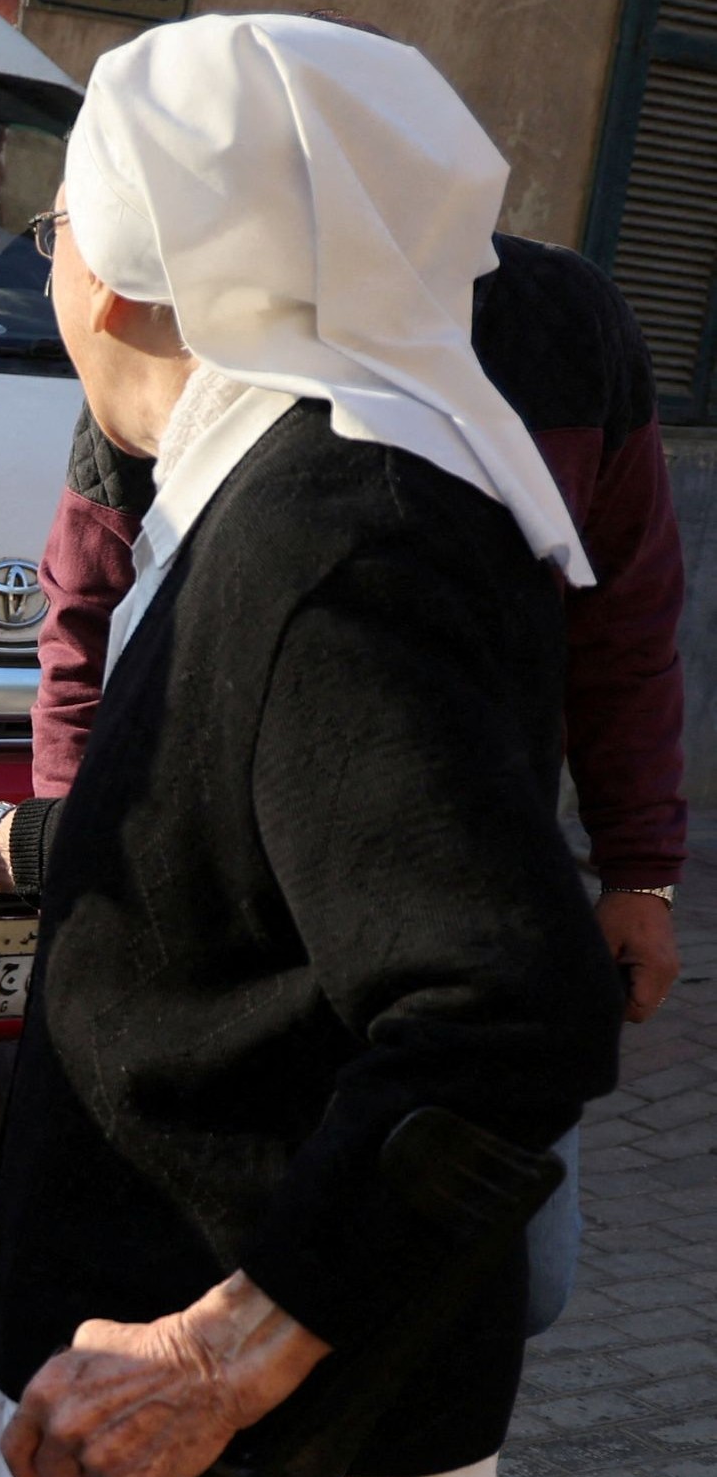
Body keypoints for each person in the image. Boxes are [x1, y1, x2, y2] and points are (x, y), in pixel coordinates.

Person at [0, 16, 621, 1477]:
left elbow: (510, 1006)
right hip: (149, 1412)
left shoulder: (341, 535)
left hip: (227, 1473)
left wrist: (230, 1348)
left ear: (130, 274)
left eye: (58, 228)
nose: (51, 270)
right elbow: (245, 851)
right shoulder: (274, 486)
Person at [35, 229, 684, 1334]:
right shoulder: (193, 298)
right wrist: (72, 872)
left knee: (502, 1272)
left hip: (457, 877)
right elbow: (84, 621)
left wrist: (639, 871)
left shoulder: (555, 325)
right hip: (219, 897)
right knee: (187, 1237)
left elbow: (621, 621)